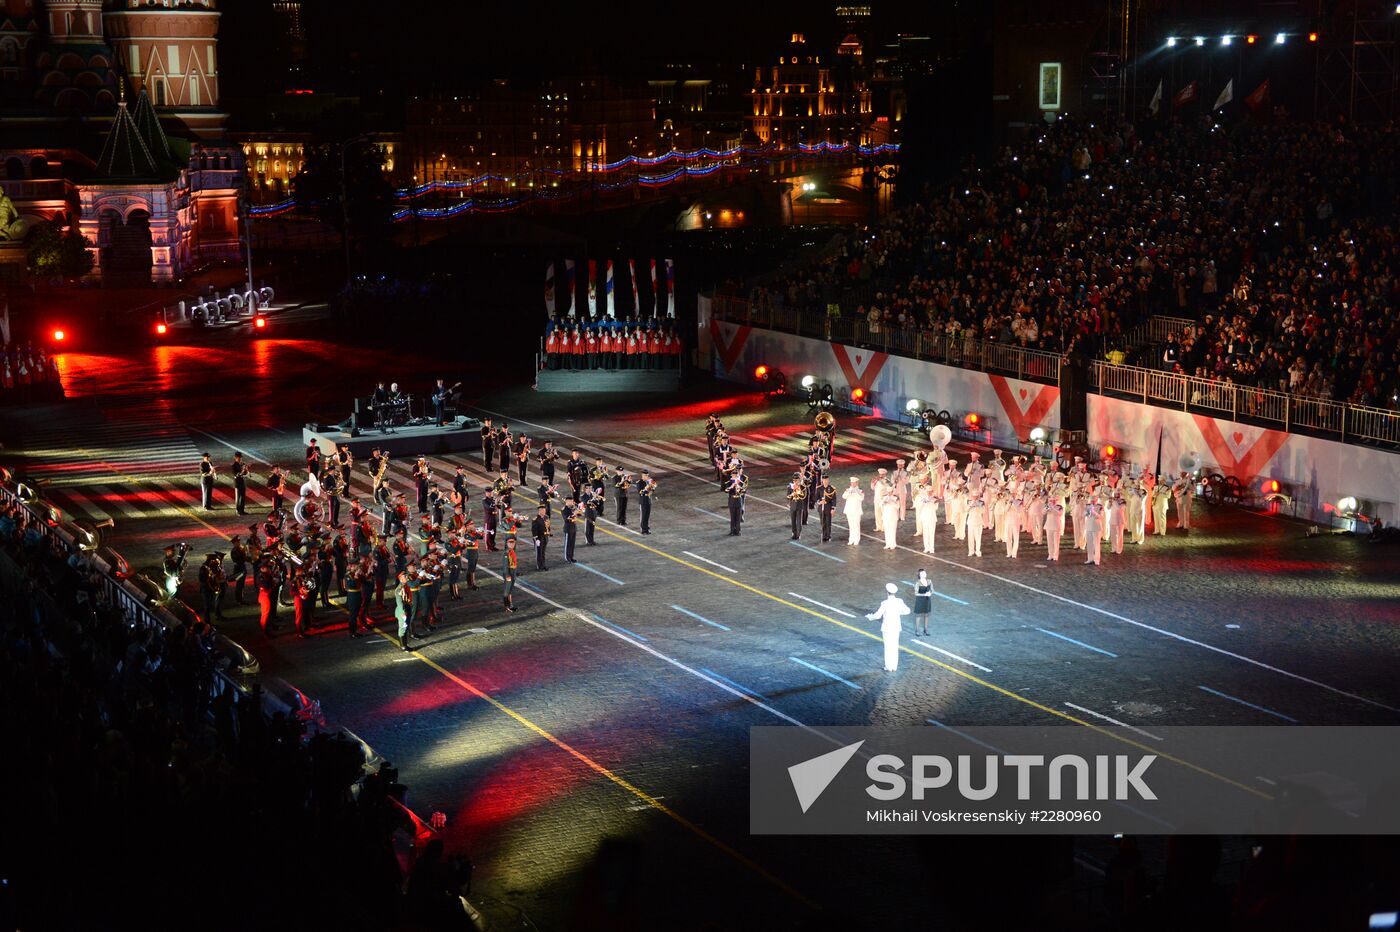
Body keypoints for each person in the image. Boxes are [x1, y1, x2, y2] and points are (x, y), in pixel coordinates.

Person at [866, 582, 911, 673]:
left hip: (887, 627)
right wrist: (899, 613)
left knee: (888, 647)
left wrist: (870, 617)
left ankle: (888, 666)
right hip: (896, 627)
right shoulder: (899, 601)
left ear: (887, 592)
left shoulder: (885, 603)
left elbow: (878, 616)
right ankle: (894, 666)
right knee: (895, 646)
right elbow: (907, 611)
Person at [198, 553, 226, 622]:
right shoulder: (204, 568)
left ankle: (209, 621)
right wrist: (211, 579)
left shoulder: (211, 567)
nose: (215, 561)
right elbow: (202, 579)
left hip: (209, 589)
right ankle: (207, 622)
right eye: (214, 559)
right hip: (206, 589)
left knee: (209, 606)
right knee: (207, 607)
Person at [394, 571, 414, 650]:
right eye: (405, 577)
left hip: (407, 607)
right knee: (403, 628)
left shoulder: (405, 586)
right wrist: (403, 612)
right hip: (402, 610)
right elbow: (399, 602)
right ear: (401, 579)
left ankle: (404, 644)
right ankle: (403, 646)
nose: (407, 578)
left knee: (406, 627)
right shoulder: (399, 589)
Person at [842, 477, 864, 545]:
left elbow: (861, 498)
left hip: (856, 511)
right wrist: (849, 492)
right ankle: (851, 539)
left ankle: (856, 539)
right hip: (849, 510)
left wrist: (854, 493)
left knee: (856, 525)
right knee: (851, 525)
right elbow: (844, 496)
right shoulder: (848, 490)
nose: (853, 484)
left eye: (854, 483)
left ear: (857, 483)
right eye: (852, 483)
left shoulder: (860, 491)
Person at [911, 570, 933, 636]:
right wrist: (925, 594)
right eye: (922, 573)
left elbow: (932, 590)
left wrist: (930, 593)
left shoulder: (929, 581)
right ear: (919, 575)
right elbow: (916, 593)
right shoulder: (917, 583)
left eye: (924, 572)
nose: (924, 574)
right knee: (918, 616)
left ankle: (925, 630)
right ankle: (917, 630)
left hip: (927, 600)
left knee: (927, 615)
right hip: (920, 600)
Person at [345, 564, 364, 637]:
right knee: (352, 615)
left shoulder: (357, 573)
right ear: (351, 567)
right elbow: (351, 585)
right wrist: (356, 576)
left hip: (358, 595)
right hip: (352, 596)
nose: (357, 567)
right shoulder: (348, 575)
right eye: (355, 566)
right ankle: (351, 632)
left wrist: (361, 575)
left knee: (356, 614)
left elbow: (363, 581)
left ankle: (354, 631)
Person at [726, 470, 747, 536]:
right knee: (732, 517)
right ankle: (732, 531)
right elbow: (726, 490)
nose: (735, 476)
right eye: (734, 475)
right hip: (732, 500)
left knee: (738, 517)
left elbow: (744, 491)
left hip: (739, 500)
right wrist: (732, 486)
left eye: (736, 475)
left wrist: (738, 486)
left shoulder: (741, 483)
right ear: (732, 476)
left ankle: (738, 531)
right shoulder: (729, 482)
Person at [787, 472, 806, 540]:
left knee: (798, 521)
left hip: (799, 505)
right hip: (792, 505)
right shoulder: (790, 487)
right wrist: (792, 494)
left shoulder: (802, 487)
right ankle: (793, 533)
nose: (795, 481)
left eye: (797, 480)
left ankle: (798, 534)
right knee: (793, 520)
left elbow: (803, 496)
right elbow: (788, 496)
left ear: (799, 480)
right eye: (794, 480)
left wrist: (798, 490)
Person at [1084, 500, 1104, 566]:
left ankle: (1097, 559)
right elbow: (1084, 515)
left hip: (1096, 527)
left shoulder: (1100, 507)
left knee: (1096, 544)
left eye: (1094, 499)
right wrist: (1087, 511)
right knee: (1089, 544)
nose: (1093, 501)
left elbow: (1101, 517)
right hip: (1088, 526)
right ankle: (1090, 558)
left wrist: (1093, 511)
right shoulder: (1088, 506)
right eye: (1092, 500)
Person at [1045, 495, 1064, 561]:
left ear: (1056, 501)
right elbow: (1043, 512)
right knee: (1049, 542)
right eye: (1051, 500)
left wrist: (1052, 508)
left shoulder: (1059, 507)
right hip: (1049, 526)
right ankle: (1050, 555)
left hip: (1056, 526)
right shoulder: (1048, 506)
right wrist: (1047, 507)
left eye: (1054, 500)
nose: (1052, 501)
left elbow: (1059, 514)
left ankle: (1055, 556)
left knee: (1056, 542)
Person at [817, 477, 837, 543]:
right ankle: (823, 535)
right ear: (822, 480)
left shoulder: (831, 488)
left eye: (826, 480)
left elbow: (834, 499)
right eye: (824, 480)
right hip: (821, 508)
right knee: (822, 522)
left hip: (828, 507)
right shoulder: (819, 488)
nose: (825, 481)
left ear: (828, 480)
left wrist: (833, 508)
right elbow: (816, 498)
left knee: (828, 522)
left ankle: (828, 536)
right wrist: (819, 502)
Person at [531, 505, 550, 570]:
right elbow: (534, 530)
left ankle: (543, 565)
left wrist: (548, 533)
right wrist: (536, 539)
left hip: (545, 537)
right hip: (539, 538)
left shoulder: (546, 517)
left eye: (544, 510)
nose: (544, 511)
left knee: (543, 552)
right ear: (539, 511)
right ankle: (539, 566)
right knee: (539, 553)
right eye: (542, 510)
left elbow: (548, 526)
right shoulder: (536, 519)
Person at [502, 538, 518, 612]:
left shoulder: (512, 551)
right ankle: (507, 606)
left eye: (513, 542)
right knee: (507, 590)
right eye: (510, 543)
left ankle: (511, 605)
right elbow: (505, 566)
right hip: (509, 573)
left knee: (510, 590)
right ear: (507, 544)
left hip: (513, 572)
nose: (512, 544)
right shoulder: (506, 553)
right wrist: (507, 575)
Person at [638, 469, 656, 534]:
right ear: (643, 475)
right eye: (646, 475)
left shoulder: (649, 481)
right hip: (643, 501)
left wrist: (653, 488)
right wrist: (646, 488)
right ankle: (643, 529)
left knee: (647, 516)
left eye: (647, 475)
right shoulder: (640, 482)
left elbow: (651, 491)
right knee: (643, 516)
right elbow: (640, 492)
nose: (647, 477)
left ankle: (646, 529)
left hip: (648, 500)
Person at [561, 498, 578, 562]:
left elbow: (580, 514)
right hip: (568, 528)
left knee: (572, 544)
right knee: (568, 544)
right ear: (567, 501)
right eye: (570, 501)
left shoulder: (573, 508)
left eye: (572, 501)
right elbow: (566, 519)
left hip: (574, 527)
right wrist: (574, 514)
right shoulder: (564, 509)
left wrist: (579, 510)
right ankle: (567, 557)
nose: (572, 502)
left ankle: (571, 557)